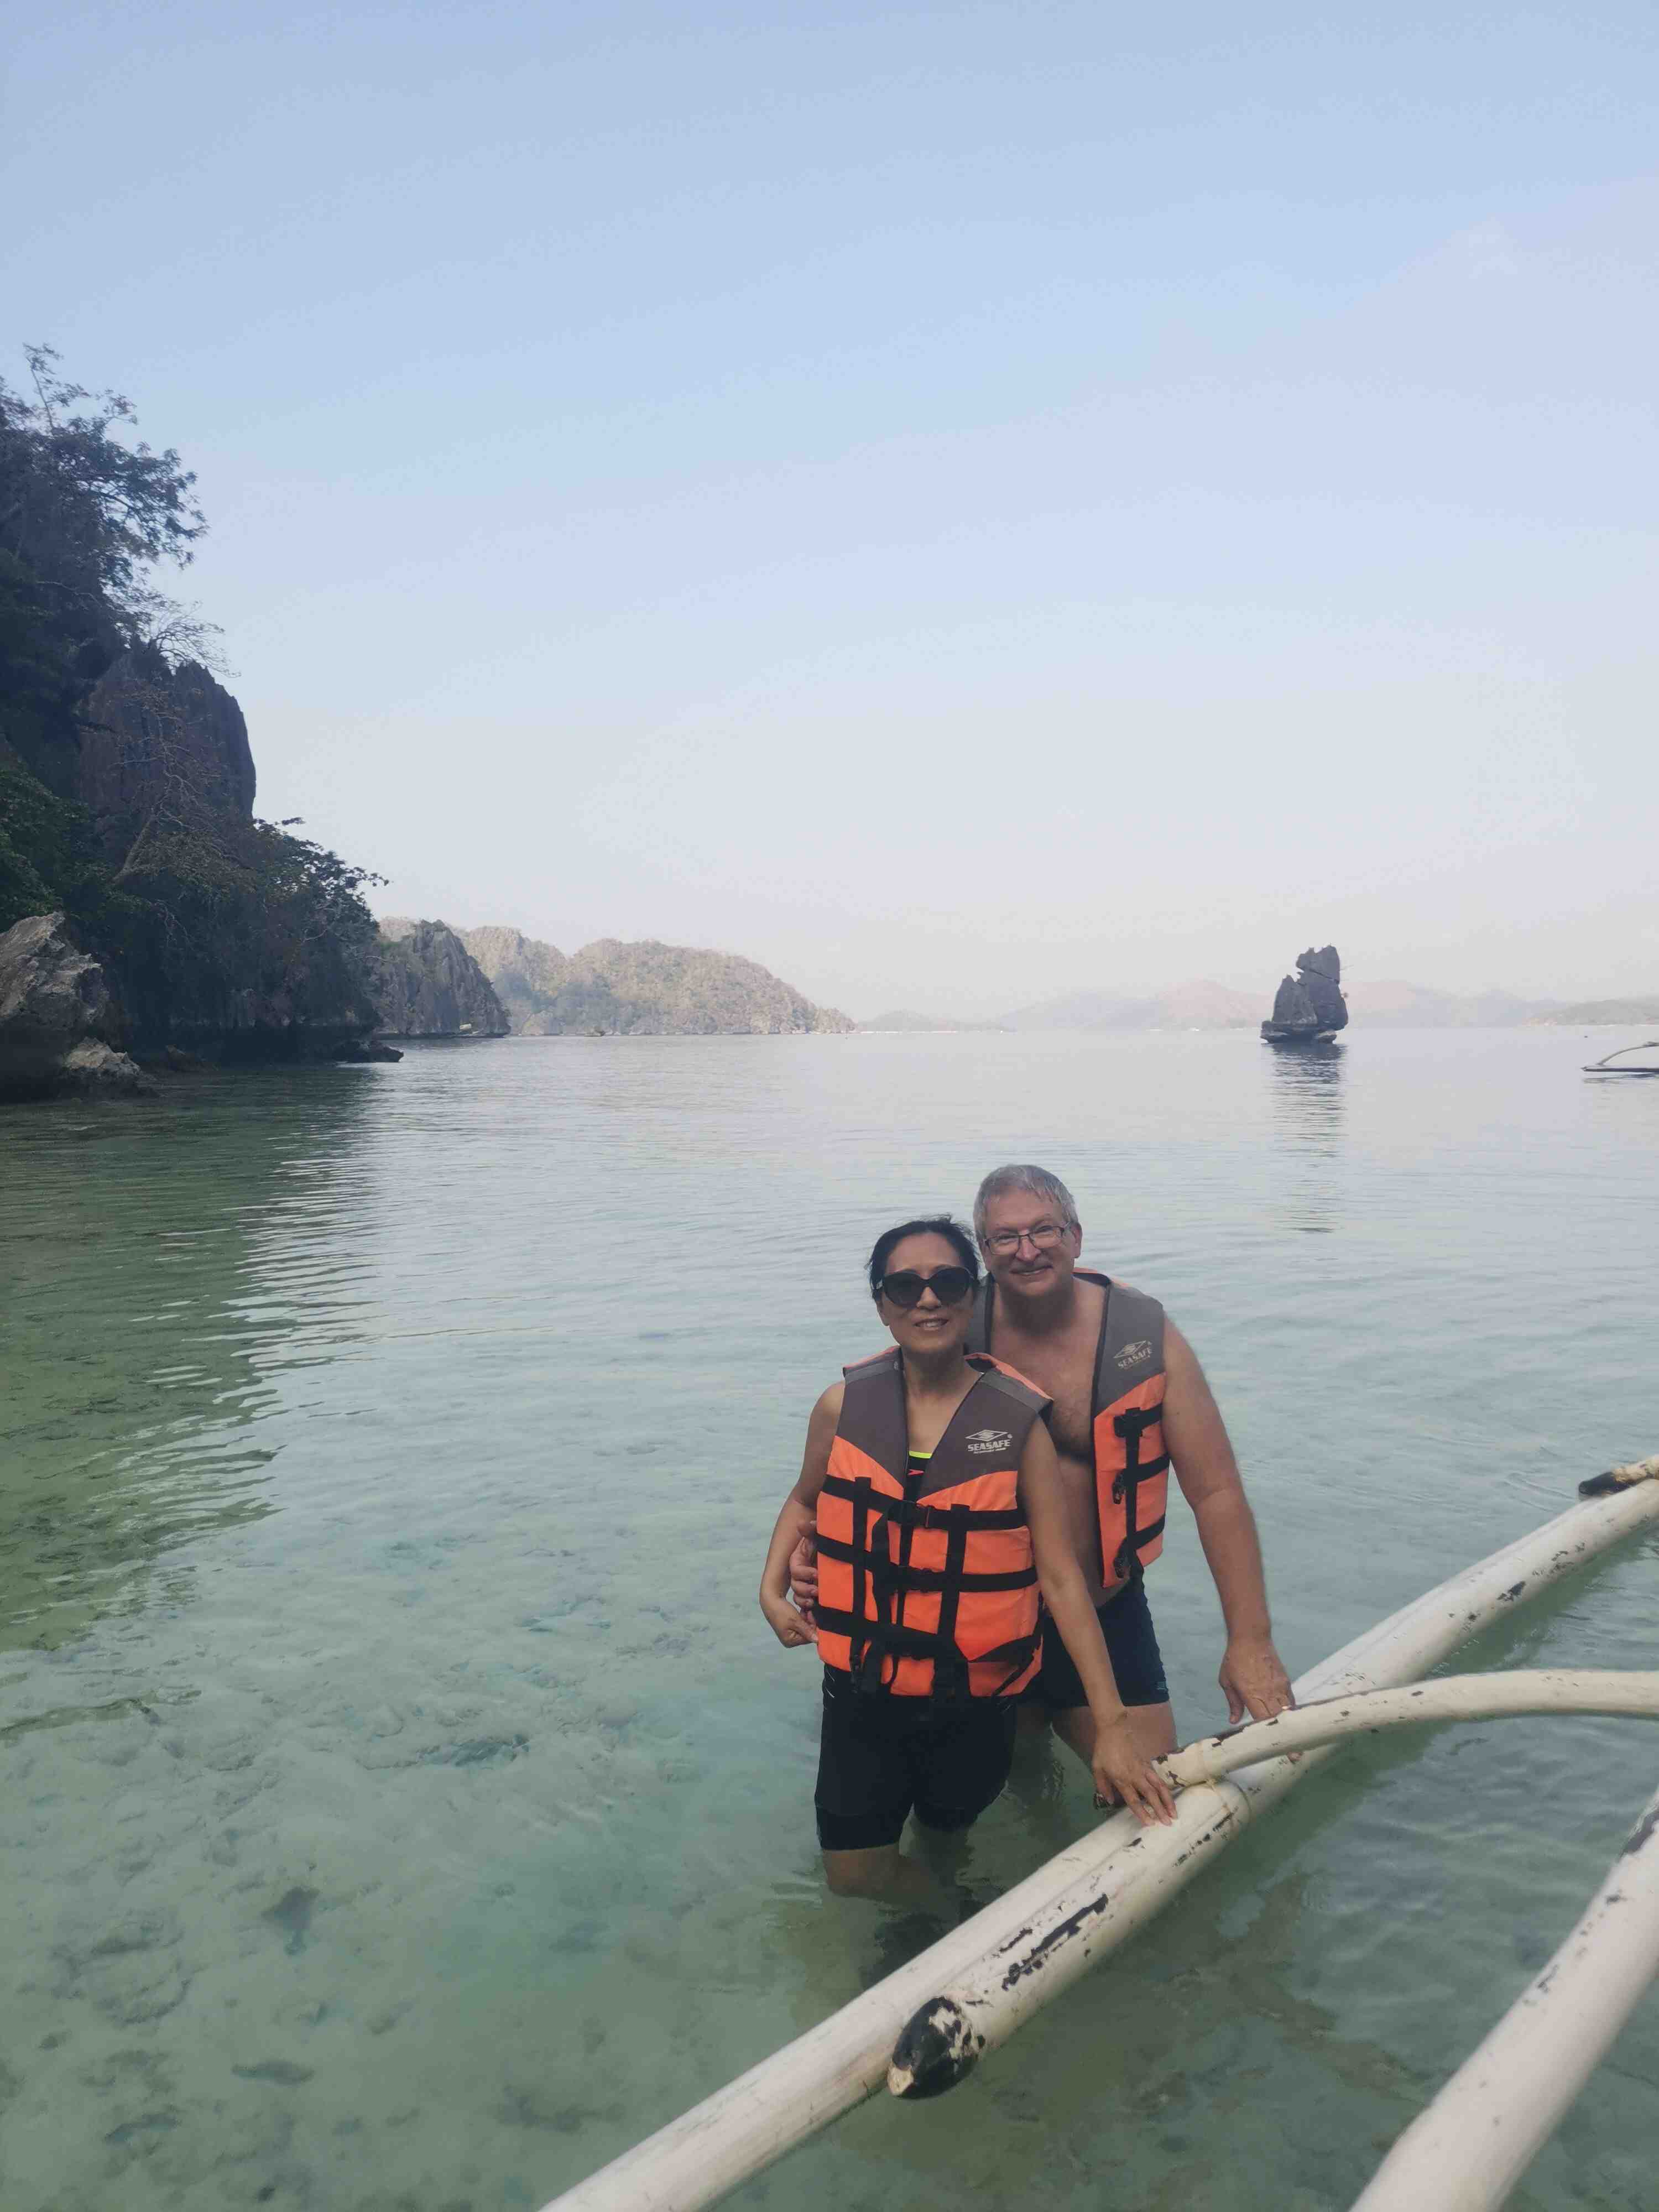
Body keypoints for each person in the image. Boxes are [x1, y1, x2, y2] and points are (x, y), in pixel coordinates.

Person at [793, 1167, 1294, 1787]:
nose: (1027, 1251)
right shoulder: (946, 1323)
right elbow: (864, 1466)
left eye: (1044, 1231)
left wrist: (1250, 1640)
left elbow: (1215, 1492)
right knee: (985, 1796)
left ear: (1076, 1237)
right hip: (972, 1622)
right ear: (984, 1253)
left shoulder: (1141, 1339)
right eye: (1005, 1237)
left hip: (1101, 1612)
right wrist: (808, 1557)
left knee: (1156, 1792)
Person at [760, 1215, 1176, 1902]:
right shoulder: (841, 1407)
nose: (928, 1299)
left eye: (948, 1282)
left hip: (973, 1706)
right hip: (862, 1696)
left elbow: (1060, 1578)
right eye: (905, 1286)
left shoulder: (1018, 1426)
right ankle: (951, 1911)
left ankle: (944, 1913)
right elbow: (806, 1499)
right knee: (853, 1875)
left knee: (945, 1834)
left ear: (973, 1296)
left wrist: (1113, 1725)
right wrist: (771, 1589)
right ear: (882, 1304)